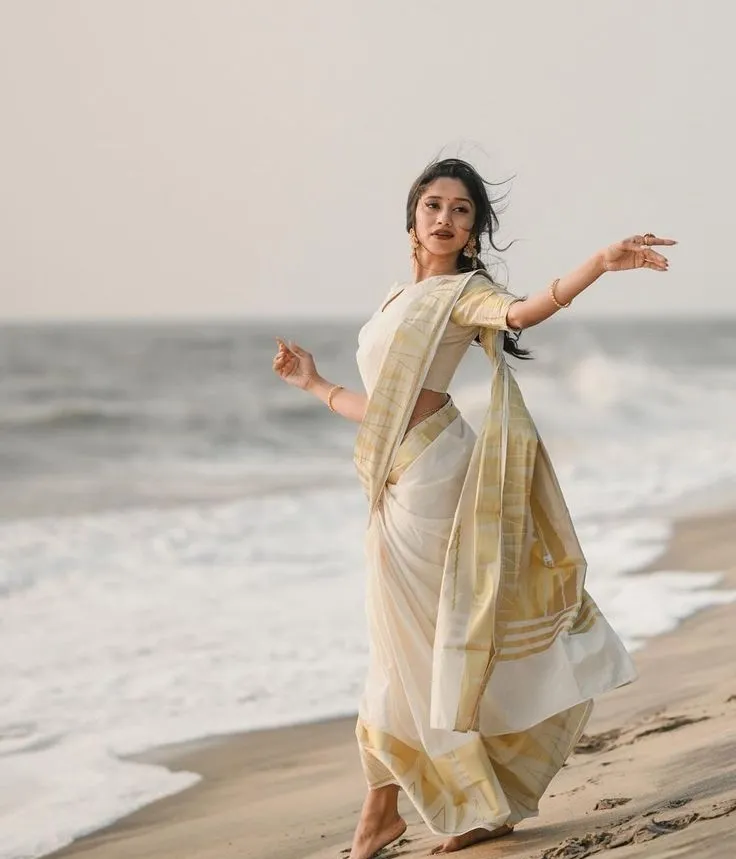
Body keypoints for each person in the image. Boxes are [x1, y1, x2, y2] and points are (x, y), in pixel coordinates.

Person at [271, 158, 677, 857]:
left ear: (473, 229)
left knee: (415, 653)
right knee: (404, 649)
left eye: (462, 210)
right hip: (392, 483)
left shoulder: (464, 293)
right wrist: (315, 385)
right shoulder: (397, 299)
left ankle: (387, 811)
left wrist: (598, 264)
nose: (445, 218)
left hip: (436, 482)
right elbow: (384, 410)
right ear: (412, 217)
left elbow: (522, 312)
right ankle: (452, 803)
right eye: (433, 204)